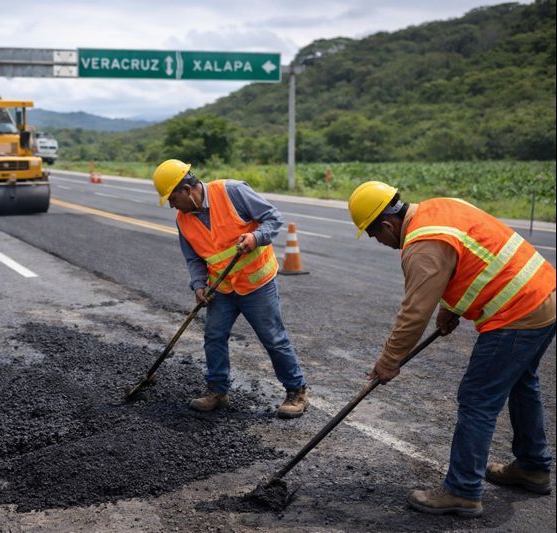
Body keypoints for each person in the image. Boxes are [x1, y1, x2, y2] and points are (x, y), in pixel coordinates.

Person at [349, 181, 555, 517]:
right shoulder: (440, 207)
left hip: (516, 314)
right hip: (545, 295)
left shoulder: (422, 245)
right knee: (521, 383)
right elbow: (475, 256)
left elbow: (414, 314)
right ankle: (533, 466)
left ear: (387, 225)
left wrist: (388, 362)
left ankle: (462, 491)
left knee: (477, 399)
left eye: (376, 236)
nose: (382, 243)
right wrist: (453, 307)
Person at [152, 159, 308, 417]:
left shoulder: (232, 191)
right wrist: (199, 285)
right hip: (222, 288)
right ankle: (217, 391)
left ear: (187, 190)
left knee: (273, 338)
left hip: (256, 284)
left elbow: (273, 218)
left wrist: (255, 237)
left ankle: (296, 391)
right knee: (214, 336)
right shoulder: (183, 220)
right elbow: (194, 259)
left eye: (172, 197)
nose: (170, 205)